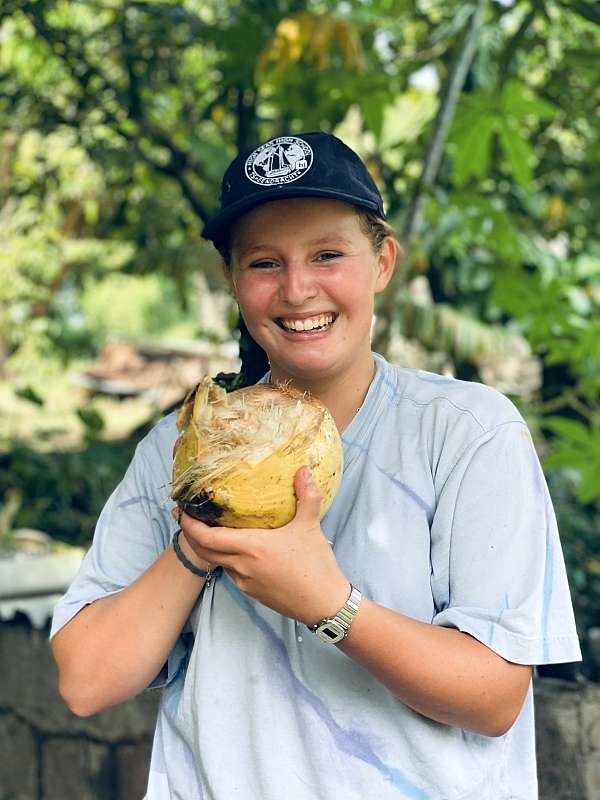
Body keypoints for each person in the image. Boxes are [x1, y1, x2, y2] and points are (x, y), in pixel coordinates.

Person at [51, 132, 581, 800]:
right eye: (265, 264)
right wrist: (196, 545)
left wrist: (328, 603)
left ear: (382, 261)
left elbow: (495, 696)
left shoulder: (467, 433)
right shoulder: (180, 448)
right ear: (232, 280)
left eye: (327, 255)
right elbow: (84, 681)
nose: (298, 290)